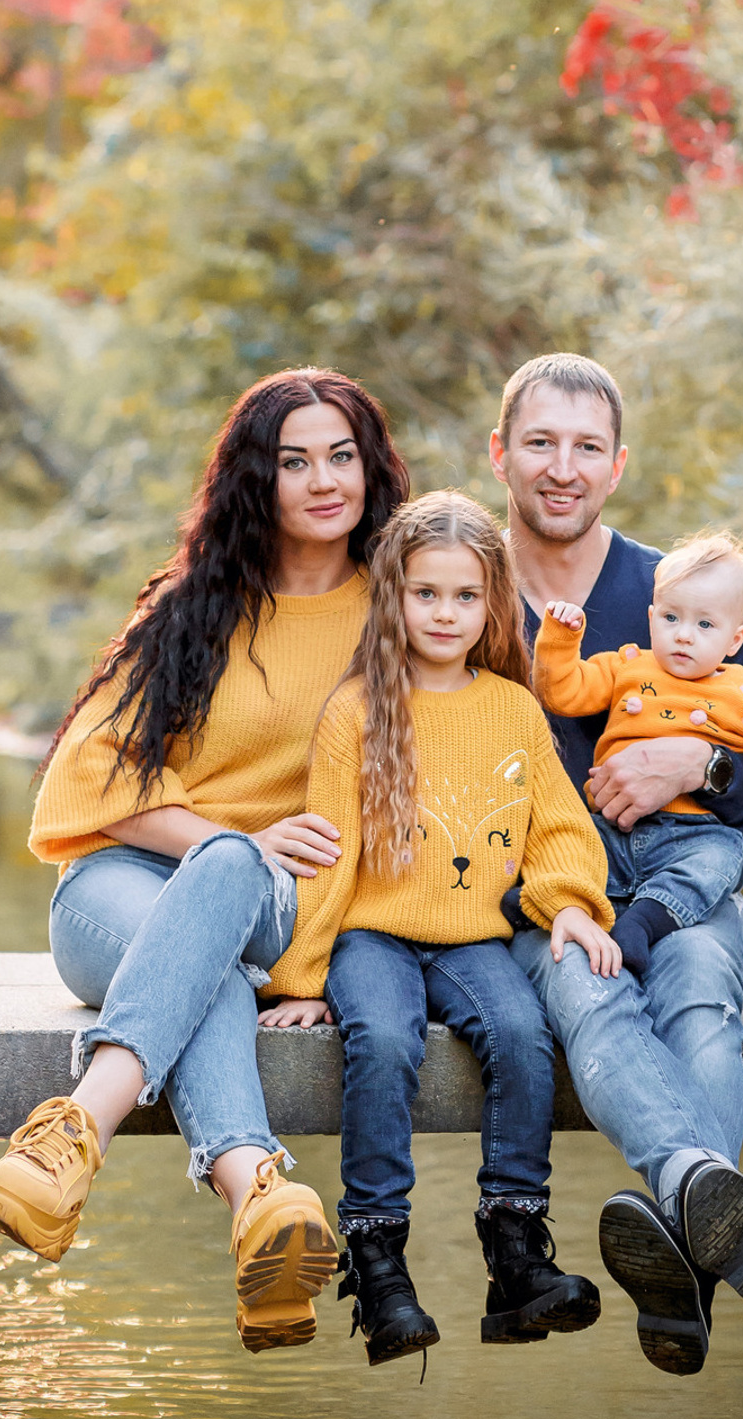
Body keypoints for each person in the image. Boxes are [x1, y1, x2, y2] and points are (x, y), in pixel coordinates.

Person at [0, 367, 408, 1355]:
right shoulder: (194, 606)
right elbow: (83, 789)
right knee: (212, 911)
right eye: (294, 461)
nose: (323, 479)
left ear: (373, 470)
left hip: (293, 906)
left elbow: (429, 803)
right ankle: (259, 1195)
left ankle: (75, 1137)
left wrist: (332, 964)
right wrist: (231, 846)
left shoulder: (404, 612)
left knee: (218, 918)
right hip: (117, 905)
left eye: (342, 456)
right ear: (259, 478)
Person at [491, 352, 743, 1377]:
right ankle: (698, 1197)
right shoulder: (457, 589)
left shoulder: (684, 596)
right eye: (540, 442)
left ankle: (684, 1237)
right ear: (499, 454)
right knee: (588, 986)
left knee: (694, 986)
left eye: (586, 447)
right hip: (550, 896)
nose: (563, 467)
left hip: (686, 881)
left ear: (618, 465)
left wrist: (706, 763)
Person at [260, 491, 611, 1367]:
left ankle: (517, 1255)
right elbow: (328, 857)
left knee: (525, 1033)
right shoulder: (356, 713)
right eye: (426, 594)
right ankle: (378, 1265)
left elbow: (559, 826)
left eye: (465, 597)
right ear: (394, 599)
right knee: (381, 1035)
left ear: (492, 603)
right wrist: (302, 981)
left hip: (472, 938)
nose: (446, 614)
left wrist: (568, 901)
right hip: (371, 935)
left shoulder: (512, 710)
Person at [534, 528, 743, 978]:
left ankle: (644, 923)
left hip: (689, 835)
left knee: (724, 854)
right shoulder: (626, 665)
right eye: (671, 618)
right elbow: (562, 692)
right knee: (573, 844)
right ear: (651, 617)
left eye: (704, 625)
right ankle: (540, 898)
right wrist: (562, 640)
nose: (684, 636)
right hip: (613, 824)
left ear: (734, 639)